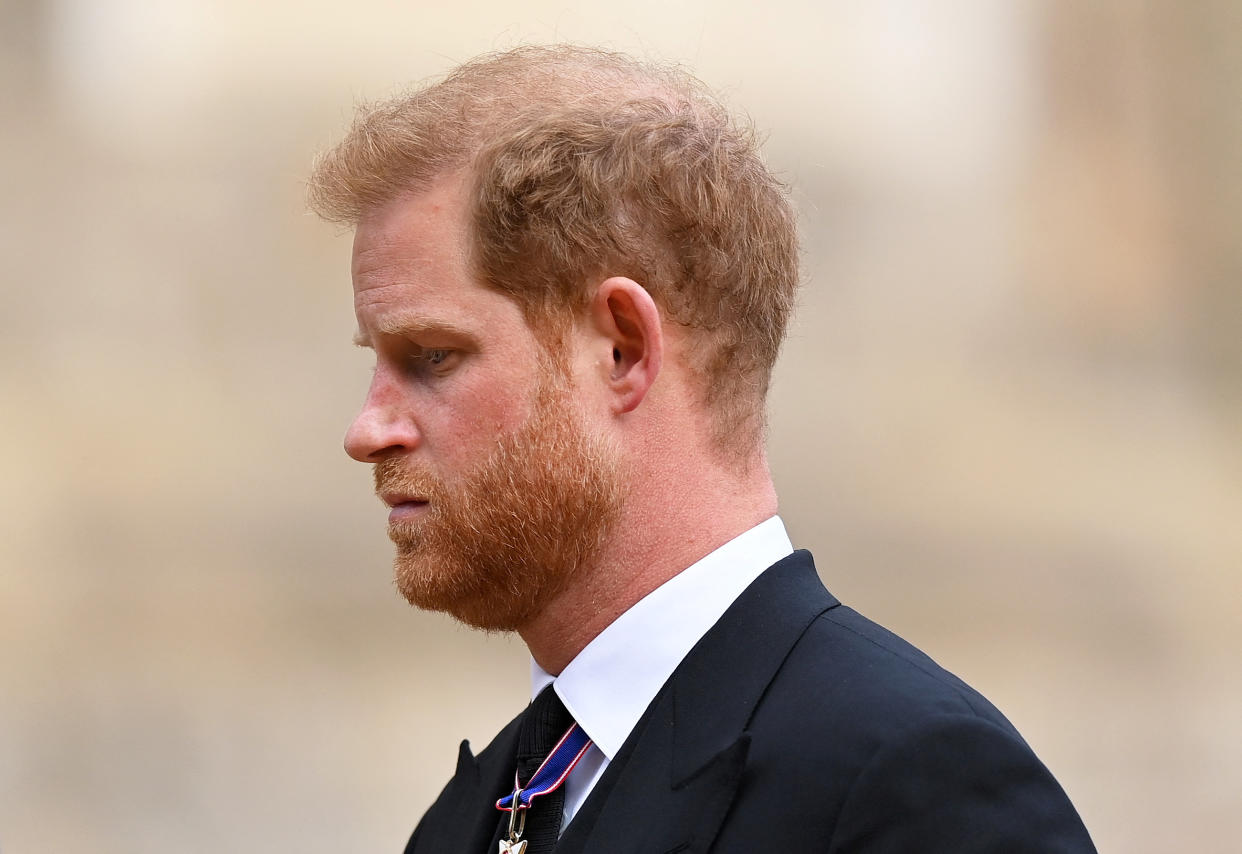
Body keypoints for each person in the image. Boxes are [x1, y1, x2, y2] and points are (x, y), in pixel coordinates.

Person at [309, 45, 1096, 854]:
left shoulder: (910, 784)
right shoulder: (469, 821)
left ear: (620, 349)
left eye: (432, 357)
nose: (368, 431)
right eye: (375, 361)